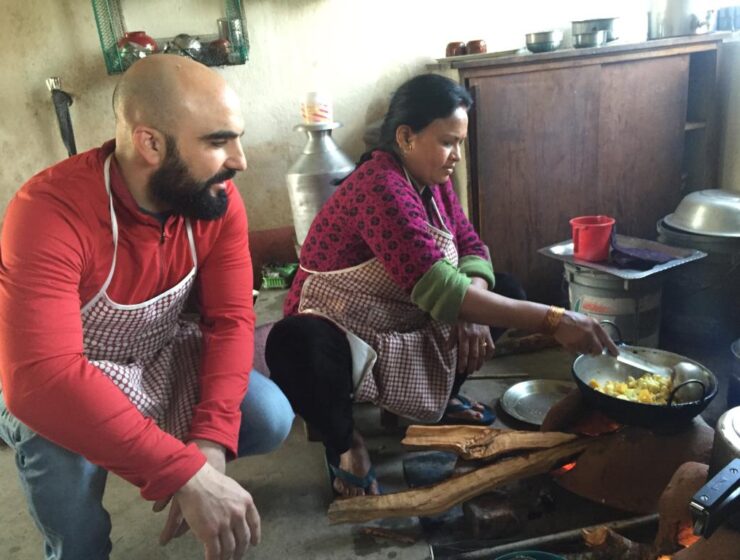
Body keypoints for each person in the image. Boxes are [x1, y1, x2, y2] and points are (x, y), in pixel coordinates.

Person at [265, 73, 618, 498]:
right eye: (448, 142)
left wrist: (476, 306)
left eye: (460, 143)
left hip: (400, 312)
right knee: (294, 343)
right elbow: (443, 292)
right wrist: (554, 319)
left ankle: (435, 398)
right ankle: (346, 444)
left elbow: (470, 245)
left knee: (505, 289)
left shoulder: (434, 183)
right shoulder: (380, 186)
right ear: (406, 137)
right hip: (345, 326)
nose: (456, 157)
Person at [0, 54, 294, 560]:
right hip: (63, 376)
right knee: (53, 449)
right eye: (218, 141)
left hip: (157, 353)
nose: (240, 160)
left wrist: (209, 449)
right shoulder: (48, 212)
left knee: (267, 415)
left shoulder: (214, 199)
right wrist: (177, 472)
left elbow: (230, 321)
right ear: (150, 143)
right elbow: (42, 378)